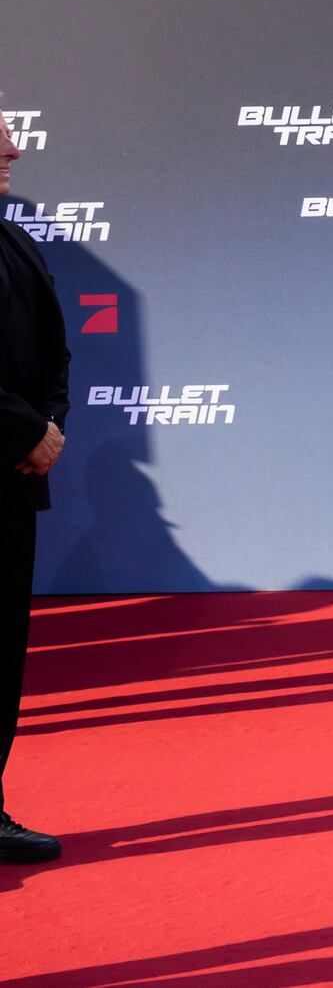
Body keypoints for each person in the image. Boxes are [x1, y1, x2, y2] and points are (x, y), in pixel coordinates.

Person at [0, 103, 67, 863]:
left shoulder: (13, 235)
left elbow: (56, 351)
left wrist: (49, 427)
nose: (14, 150)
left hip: (13, 484)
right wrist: (24, 432)